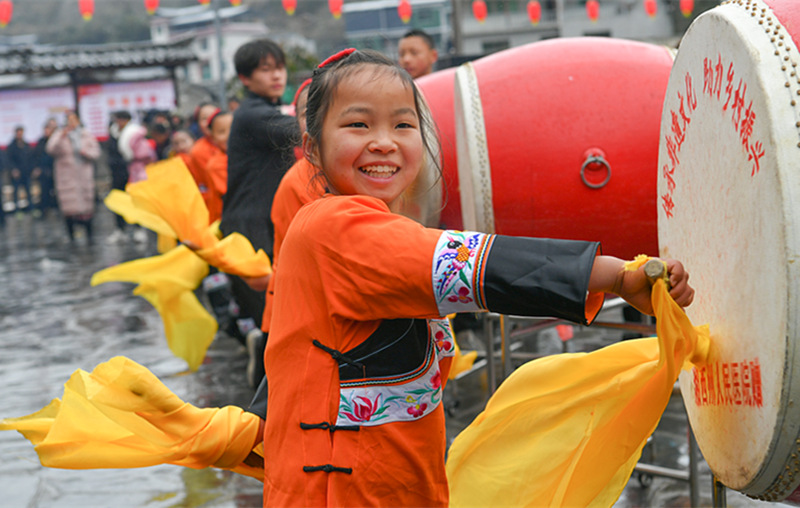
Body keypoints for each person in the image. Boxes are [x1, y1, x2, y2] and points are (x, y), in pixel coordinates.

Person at [261, 48, 695, 507]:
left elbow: (300, 366)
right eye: (358, 125)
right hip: (341, 492)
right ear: (312, 148)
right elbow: (470, 264)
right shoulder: (334, 227)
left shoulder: (373, 223)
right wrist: (614, 277)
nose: (384, 142)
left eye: (403, 125)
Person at [219, 39, 300, 352]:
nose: (277, 75)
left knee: (276, 317)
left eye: (279, 68)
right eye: (266, 70)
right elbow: (300, 130)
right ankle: (266, 394)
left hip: (258, 226)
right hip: (251, 232)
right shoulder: (253, 114)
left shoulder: (264, 111)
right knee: (276, 318)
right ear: (245, 78)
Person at [46, 111, 101, 245]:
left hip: (84, 176)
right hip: (67, 177)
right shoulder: (60, 135)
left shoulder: (86, 135)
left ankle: (89, 235)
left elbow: (96, 152)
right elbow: (50, 149)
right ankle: (71, 236)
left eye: (74, 120)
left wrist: (85, 152)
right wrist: (61, 136)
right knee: (69, 209)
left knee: (87, 207)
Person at [105, 113, 131, 244]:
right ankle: (120, 229)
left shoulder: (132, 133)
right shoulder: (113, 134)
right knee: (118, 201)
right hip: (117, 173)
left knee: (134, 201)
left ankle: (138, 228)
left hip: (132, 173)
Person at [6, 126, 36, 213]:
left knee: (28, 191)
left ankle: (31, 209)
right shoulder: (11, 146)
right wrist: (13, 169)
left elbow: (30, 158)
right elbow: (9, 160)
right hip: (16, 174)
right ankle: (17, 211)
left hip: (25, 172)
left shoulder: (26, 145)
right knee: (16, 193)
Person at [33, 118, 59, 217]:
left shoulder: (56, 141)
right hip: (44, 172)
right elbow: (37, 156)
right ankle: (44, 210)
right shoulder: (41, 142)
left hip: (55, 170)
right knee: (44, 192)